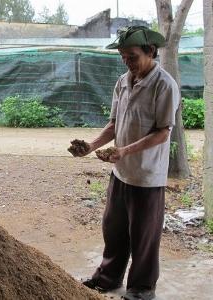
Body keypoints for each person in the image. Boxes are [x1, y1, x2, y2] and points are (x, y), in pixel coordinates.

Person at [69, 26, 180, 300]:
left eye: (131, 56)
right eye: (122, 56)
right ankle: (108, 277)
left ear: (150, 51)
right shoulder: (122, 82)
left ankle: (141, 289)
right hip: (121, 173)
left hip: (147, 176)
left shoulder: (164, 85)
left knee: (144, 237)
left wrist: (124, 151)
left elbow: (163, 132)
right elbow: (114, 124)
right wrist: (91, 147)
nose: (126, 61)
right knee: (114, 229)